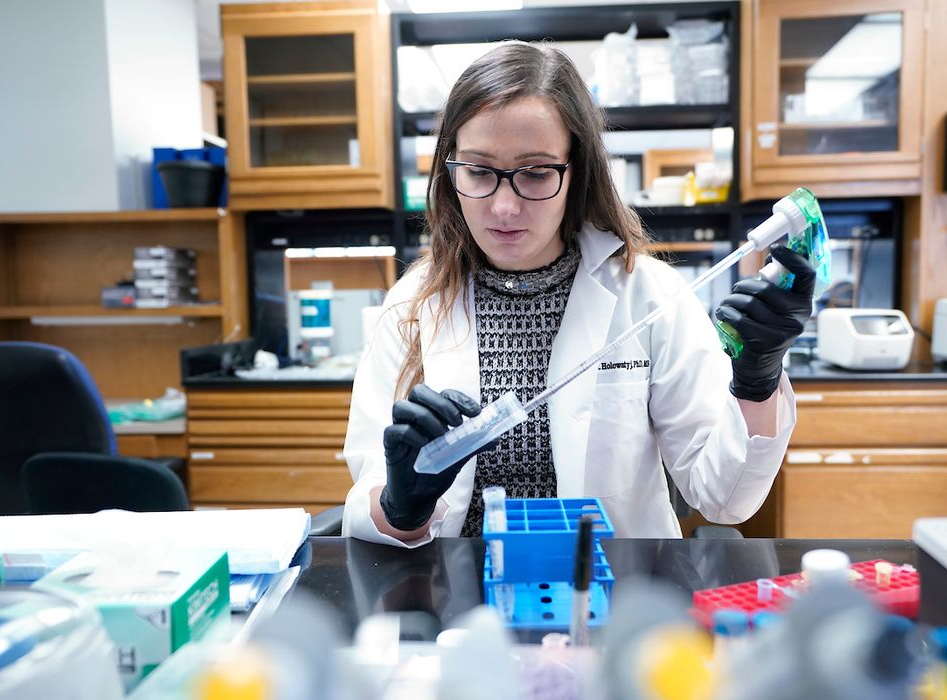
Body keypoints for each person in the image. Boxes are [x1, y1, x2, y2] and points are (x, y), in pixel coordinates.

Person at [342, 43, 813, 547]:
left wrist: (757, 379)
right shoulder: (409, 307)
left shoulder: (649, 297)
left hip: (616, 592)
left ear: (577, 171)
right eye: (479, 171)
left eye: (536, 172)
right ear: (449, 172)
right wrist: (402, 503)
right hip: (457, 597)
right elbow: (366, 504)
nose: (503, 206)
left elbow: (725, 499)